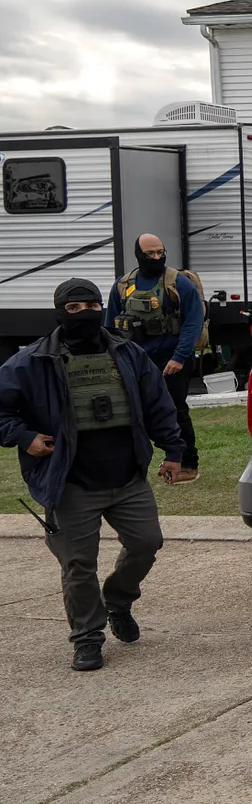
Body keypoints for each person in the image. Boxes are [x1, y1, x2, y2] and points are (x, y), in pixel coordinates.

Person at [0, 279, 185, 671]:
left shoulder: (128, 353)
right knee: (78, 565)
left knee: (147, 543)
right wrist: (25, 437)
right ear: (58, 312)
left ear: (103, 307)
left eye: (92, 306)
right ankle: (87, 638)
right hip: (70, 481)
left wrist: (173, 450)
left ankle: (118, 600)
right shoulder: (32, 361)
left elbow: (158, 403)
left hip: (127, 476)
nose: (84, 313)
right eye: (74, 308)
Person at [106, 234, 204, 484]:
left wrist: (179, 357)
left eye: (160, 252)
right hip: (136, 361)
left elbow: (193, 322)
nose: (157, 257)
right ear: (139, 255)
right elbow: (111, 327)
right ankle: (133, 464)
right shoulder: (123, 285)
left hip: (172, 362)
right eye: (150, 254)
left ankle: (187, 464)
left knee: (175, 411)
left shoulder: (179, 283)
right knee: (131, 413)